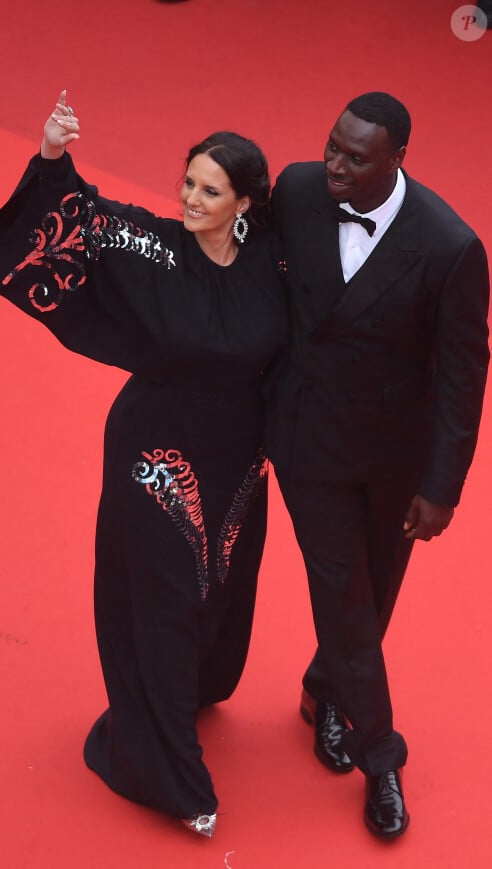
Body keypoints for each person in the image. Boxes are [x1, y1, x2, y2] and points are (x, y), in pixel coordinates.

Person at [0, 91, 287, 837]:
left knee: (218, 587)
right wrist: (52, 155)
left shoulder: (274, 263)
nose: (191, 199)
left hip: (239, 461)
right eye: (187, 183)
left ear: (244, 201)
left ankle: (192, 692)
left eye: (211, 190)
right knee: (164, 602)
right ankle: (168, 770)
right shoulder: (154, 248)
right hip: (155, 459)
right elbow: (78, 216)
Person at [266, 91, 489, 840]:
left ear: (397, 158)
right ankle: (381, 757)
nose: (333, 163)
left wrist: (441, 487)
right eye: (331, 145)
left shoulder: (451, 246)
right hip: (307, 441)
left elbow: (464, 374)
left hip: (395, 457)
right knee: (347, 595)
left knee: (376, 591)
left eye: (354, 157)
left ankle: (324, 692)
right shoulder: (296, 190)